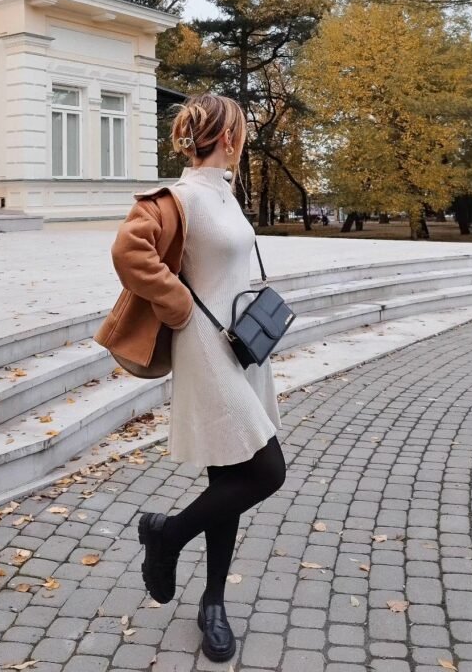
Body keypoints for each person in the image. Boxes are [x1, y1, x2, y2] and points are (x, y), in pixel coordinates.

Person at [106, 92, 286, 663]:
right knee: (265, 470)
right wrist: (177, 303)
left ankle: (213, 603)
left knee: (228, 475)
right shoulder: (179, 197)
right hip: (207, 348)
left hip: (241, 345)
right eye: (241, 131)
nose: (243, 139)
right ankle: (167, 535)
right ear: (227, 136)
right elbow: (128, 251)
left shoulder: (226, 194)